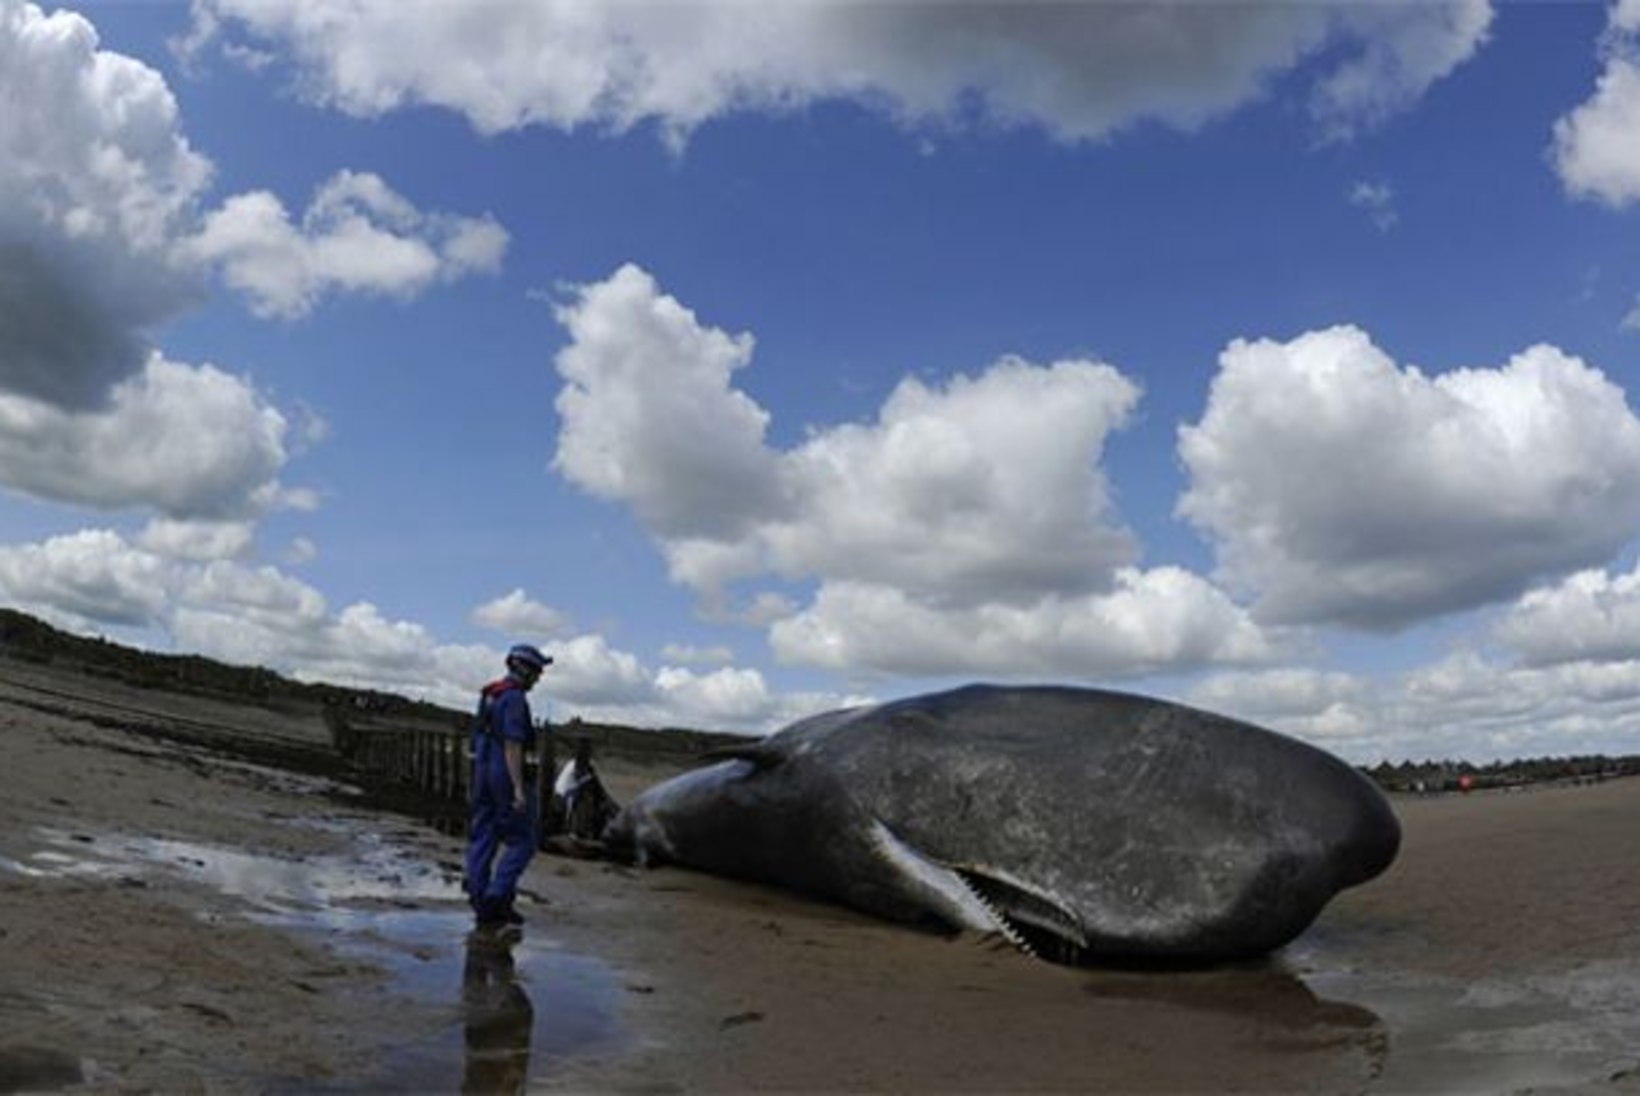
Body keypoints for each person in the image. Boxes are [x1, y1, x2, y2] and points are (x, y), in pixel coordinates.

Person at [464, 643, 551, 927]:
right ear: (524, 669)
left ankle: (483, 902)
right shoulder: (514, 699)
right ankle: (497, 896)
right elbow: (513, 744)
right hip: (503, 774)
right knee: (522, 842)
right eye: (537, 671)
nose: (538, 678)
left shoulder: (489, 694)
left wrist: (475, 779)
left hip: (482, 773)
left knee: (483, 837)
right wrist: (517, 788)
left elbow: (476, 740)